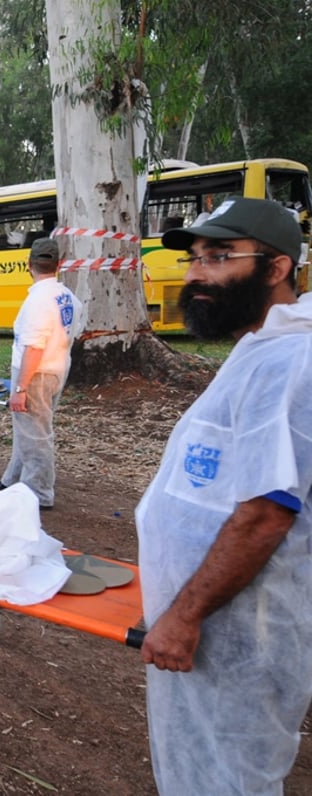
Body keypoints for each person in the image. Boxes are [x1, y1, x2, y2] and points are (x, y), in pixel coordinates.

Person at [137, 197, 312, 794]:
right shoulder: (260, 349)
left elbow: (267, 511)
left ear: (276, 267)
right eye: (193, 260)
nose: (194, 275)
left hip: (239, 635)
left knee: (229, 781)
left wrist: (184, 614)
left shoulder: (290, 360)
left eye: (218, 258)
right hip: (210, 625)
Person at [0, 238, 83, 510]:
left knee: (36, 435)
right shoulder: (68, 298)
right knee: (27, 431)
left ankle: (37, 493)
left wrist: (21, 388)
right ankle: (12, 480)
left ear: (29, 265)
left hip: (35, 373)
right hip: (56, 368)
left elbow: (34, 347)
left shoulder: (38, 300)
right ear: (58, 265)